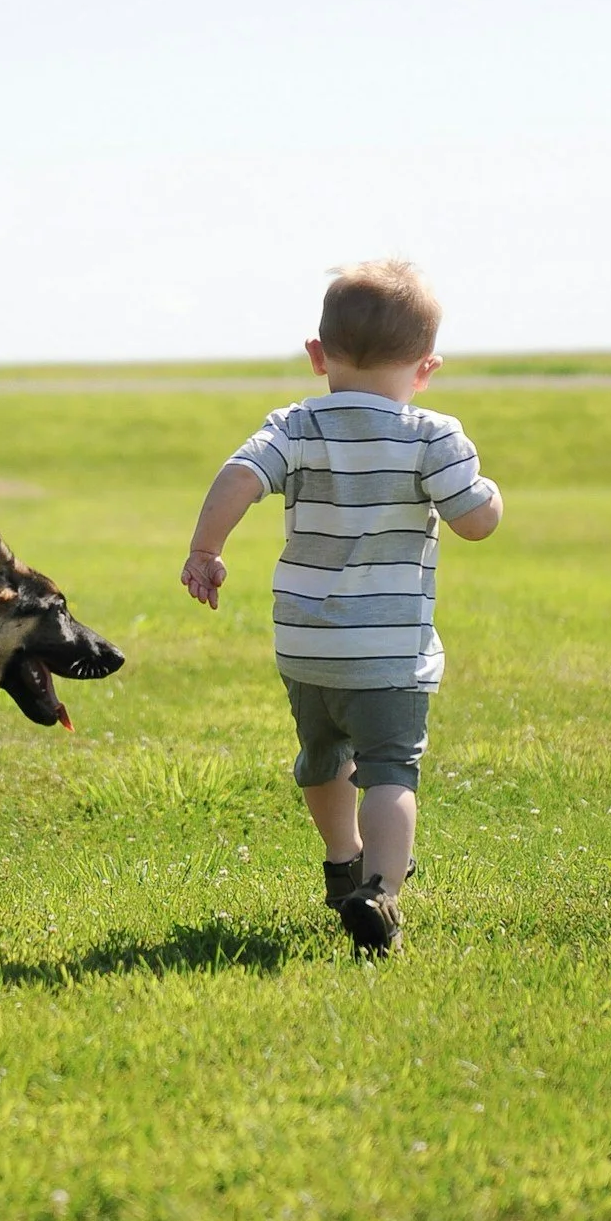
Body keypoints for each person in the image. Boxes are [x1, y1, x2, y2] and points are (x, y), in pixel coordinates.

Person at [181, 260, 501, 955]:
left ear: (317, 355)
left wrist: (206, 548)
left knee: (322, 759)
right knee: (389, 771)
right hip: (387, 652)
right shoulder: (432, 434)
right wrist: (488, 495)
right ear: (426, 367)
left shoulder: (293, 424)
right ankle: (380, 893)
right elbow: (474, 521)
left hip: (306, 645)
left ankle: (340, 860)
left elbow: (240, 475)